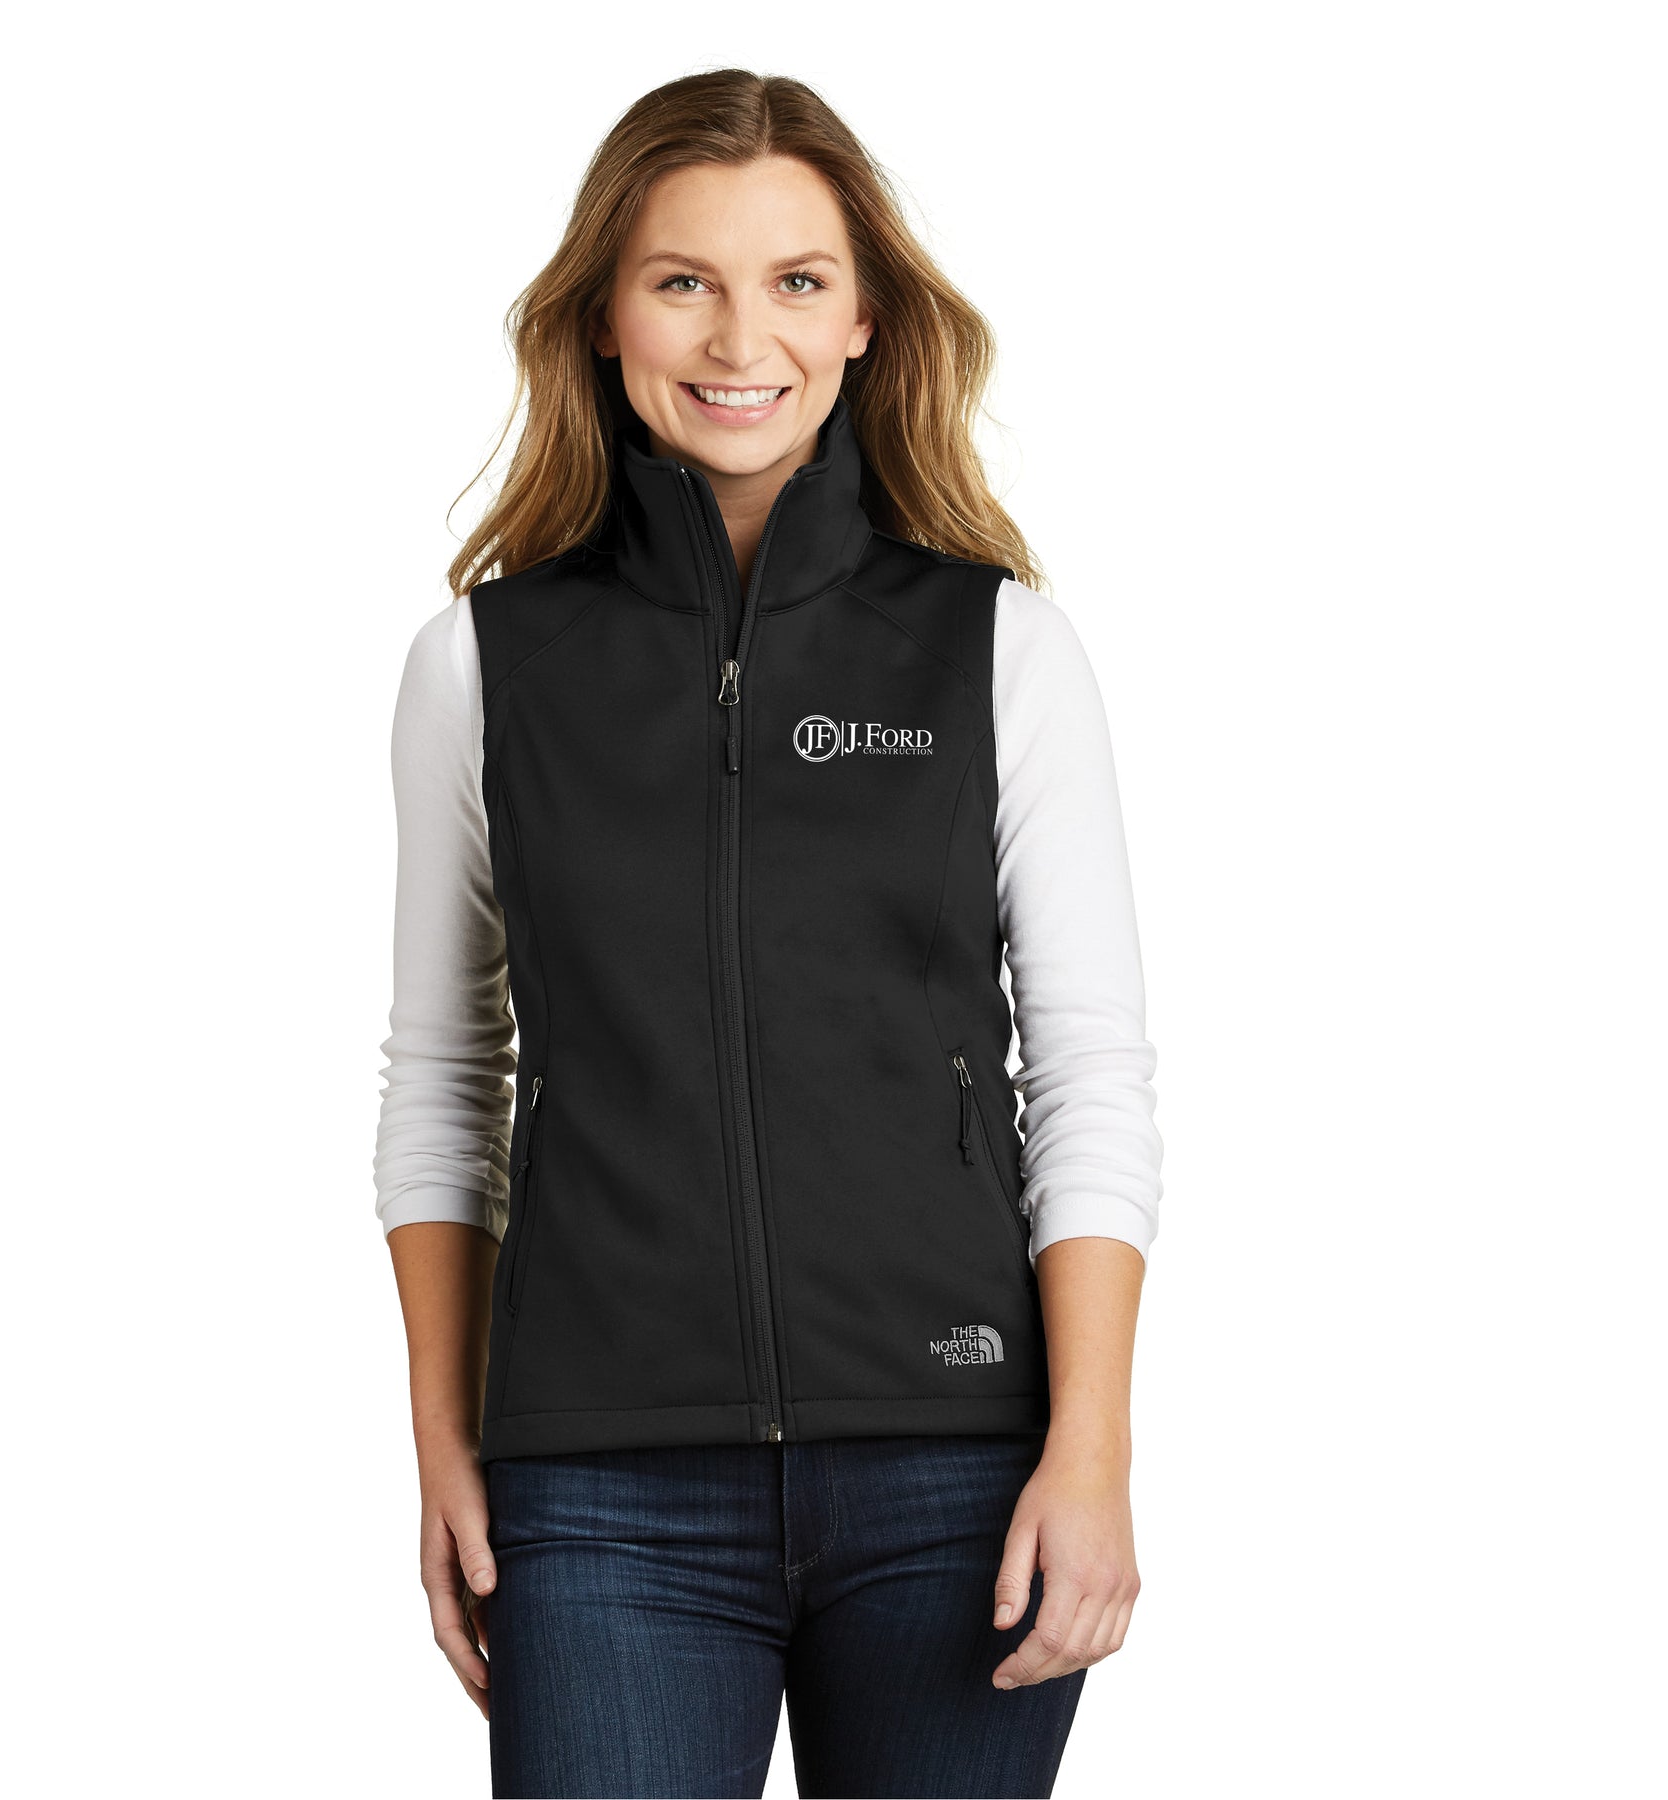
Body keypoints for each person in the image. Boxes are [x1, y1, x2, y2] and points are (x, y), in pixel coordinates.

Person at [373, 68, 1164, 1800]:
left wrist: (1091, 1445)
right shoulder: (484, 669)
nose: (743, 338)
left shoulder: (998, 650)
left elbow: (1090, 1071)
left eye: (797, 280)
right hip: (601, 1488)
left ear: (866, 317)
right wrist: (443, 1440)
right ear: (603, 316)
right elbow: (445, 1078)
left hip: (955, 1469)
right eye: (685, 281)